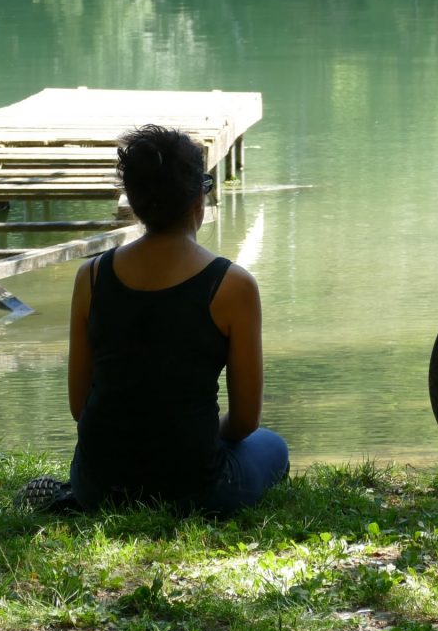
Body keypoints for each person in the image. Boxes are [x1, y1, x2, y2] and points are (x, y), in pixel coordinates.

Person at [62, 124, 288, 514]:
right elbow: (246, 420)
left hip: (97, 486)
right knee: (273, 447)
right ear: (199, 200)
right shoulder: (233, 285)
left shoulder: (92, 277)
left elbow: (80, 405)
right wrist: (194, 436)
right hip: (196, 489)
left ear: (133, 201)